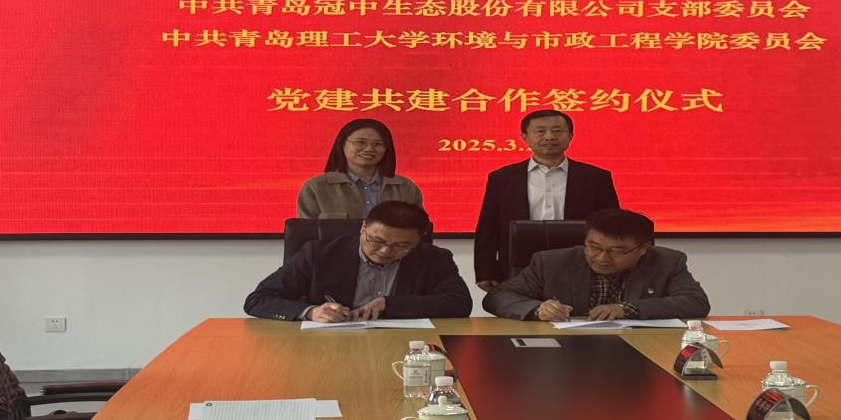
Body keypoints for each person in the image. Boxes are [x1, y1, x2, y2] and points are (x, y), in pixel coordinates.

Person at [245, 201, 471, 321]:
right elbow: (258, 300)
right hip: (328, 347)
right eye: (377, 240)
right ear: (363, 228)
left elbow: (459, 303)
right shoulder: (319, 254)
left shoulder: (434, 258)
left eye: (402, 246)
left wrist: (388, 304)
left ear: (419, 239)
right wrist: (311, 312)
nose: (385, 251)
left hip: (407, 347)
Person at [473, 110, 619, 290]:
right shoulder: (503, 178)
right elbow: (488, 228)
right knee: (520, 307)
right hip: (519, 264)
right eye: (540, 131)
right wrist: (485, 271)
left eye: (557, 131)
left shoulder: (596, 177)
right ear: (524, 136)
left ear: (570, 136)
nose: (549, 137)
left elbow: (611, 226)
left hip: (581, 263)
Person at [483, 208, 710, 322]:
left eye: (616, 251)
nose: (601, 258)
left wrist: (625, 309)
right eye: (593, 247)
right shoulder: (551, 262)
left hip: (639, 349)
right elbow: (497, 296)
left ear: (643, 248)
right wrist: (538, 309)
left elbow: (696, 302)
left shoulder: (667, 262)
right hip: (566, 351)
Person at [297, 119, 423, 219]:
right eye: (360, 142)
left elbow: (420, 231)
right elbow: (306, 236)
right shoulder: (316, 187)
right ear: (342, 144)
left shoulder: (406, 188)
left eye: (378, 144)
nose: (369, 149)